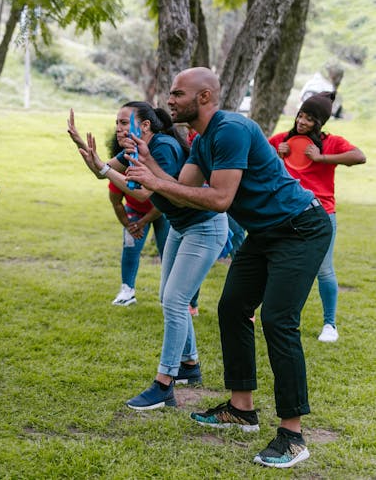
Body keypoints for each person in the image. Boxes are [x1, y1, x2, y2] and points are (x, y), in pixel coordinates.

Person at [124, 67, 332, 468]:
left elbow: (219, 199)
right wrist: (150, 167)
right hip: (266, 233)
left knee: (277, 320)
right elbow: (180, 195)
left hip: (301, 228)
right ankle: (242, 409)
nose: (170, 100)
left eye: (177, 93)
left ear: (204, 97)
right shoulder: (202, 143)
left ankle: (292, 435)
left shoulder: (231, 129)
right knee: (232, 308)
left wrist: (159, 181)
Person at [68, 101, 228, 410]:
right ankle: (189, 364)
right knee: (169, 297)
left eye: (125, 121)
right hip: (183, 227)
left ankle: (164, 384)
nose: (119, 127)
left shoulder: (163, 147)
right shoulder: (133, 147)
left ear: (145, 126)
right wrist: (89, 156)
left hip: (205, 227)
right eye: (116, 121)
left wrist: (101, 167)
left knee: (175, 301)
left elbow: (143, 192)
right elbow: (104, 173)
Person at [269, 91, 366, 342]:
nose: (301, 121)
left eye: (309, 119)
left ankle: (330, 325)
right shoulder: (283, 141)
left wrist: (321, 158)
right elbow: (258, 162)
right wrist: (277, 155)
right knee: (282, 268)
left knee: (323, 270)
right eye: (300, 115)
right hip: (286, 213)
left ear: (319, 123)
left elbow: (359, 156)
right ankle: (282, 318)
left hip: (322, 214)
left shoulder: (330, 142)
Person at [105, 134, 170, 307]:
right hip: (134, 212)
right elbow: (117, 203)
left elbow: (162, 204)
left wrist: (143, 222)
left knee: (168, 251)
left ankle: (175, 297)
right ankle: (127, 291)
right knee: (130, 248)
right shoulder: (118, 175)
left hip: (162, 211)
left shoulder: (156, 168)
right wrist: (129, 225)